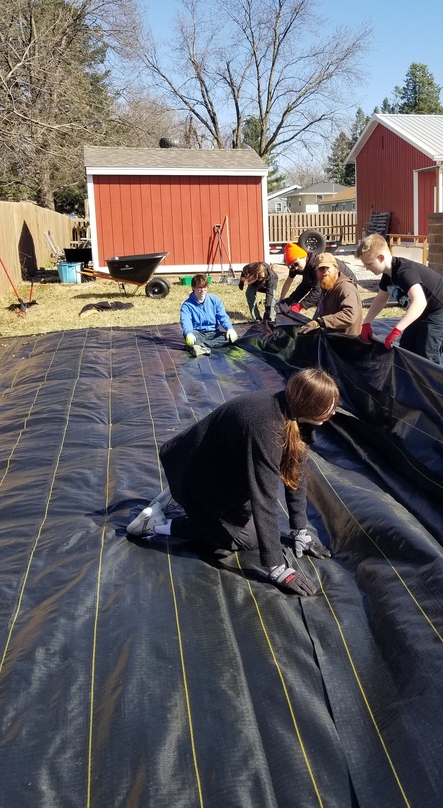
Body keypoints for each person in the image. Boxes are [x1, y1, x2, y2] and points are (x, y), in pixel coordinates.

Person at [126, 368, 339, 596]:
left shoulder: (292, 409)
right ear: (309, 405)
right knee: (248, 538)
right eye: (329, 406)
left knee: (253, 528)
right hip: (197, 475)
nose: (333, 412)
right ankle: (155, 525)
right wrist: (277, 568)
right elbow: (264, 496)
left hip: (214, 473)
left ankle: (179, 495)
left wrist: (299, 531)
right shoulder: (266, 427)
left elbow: (296, 472)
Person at [357, 233, 443, 363]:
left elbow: (419, 302)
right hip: (422, 313)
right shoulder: (388, 274)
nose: (366, 268)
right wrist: (366, 323)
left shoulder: (404, 272)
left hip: (440, 311)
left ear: (381, 257)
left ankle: (425, 383)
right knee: (406, 350)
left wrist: (396, 330)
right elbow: (381, 299)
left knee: (426, 357)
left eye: (369, 264)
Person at [278, 242, 357, 315]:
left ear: (303, 256)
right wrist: (291, 300)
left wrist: (300, 306)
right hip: (330, 287)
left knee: (325, 314)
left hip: (345, 286)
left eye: (296, 264)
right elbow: (305, 285)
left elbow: (317, 291)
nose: (296, 268)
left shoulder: (315, 265)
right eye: (292, 267)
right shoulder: (306, 266)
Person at [297, 253, 363, 336]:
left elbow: (349, 315)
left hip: (347, 342)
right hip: (331, 339)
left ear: (336, 269)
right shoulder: (327, 286)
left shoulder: (346, 288)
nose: (325, 272)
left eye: (328, 268)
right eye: (321, 269)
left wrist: (320, 322)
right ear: (316, 272)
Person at [180, 273, 238, 357]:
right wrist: (188, 333)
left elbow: (222, 316)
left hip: (213, 333)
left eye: (204, 287)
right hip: (198, 333)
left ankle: (200, 347)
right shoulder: (187, 305)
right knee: (191, 337)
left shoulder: (215, 300)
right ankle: (198, 345)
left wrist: (230, 328)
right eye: (199, 287)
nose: (202, 290)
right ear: (193, 288)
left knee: (231, 338)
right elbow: (186, 321)